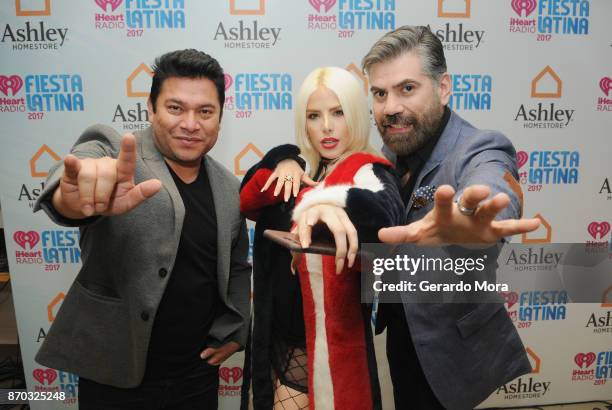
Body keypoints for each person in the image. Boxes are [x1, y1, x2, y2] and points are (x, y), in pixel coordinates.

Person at [271, 26, 541, 410]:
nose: (391, 106)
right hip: (400, 327)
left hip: (450, 344)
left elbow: (491, 181)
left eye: (407, 89)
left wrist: (473, 219)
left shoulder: (477, 146)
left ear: (444, 87)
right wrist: (286, 160)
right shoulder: (390, 150)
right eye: (380, 94)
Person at [33, 49, 251, 410]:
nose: (191, 124)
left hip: (197, 373)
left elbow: (239, 264)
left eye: (205, 112)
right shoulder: (116, 154)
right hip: (114, 373)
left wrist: (237, 328)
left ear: (220, 118)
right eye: (175, 108)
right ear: (150, 109)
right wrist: (74, 195)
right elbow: (78, 177)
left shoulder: (229, 187)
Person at [239, 67, 404, 410]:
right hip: (273, 333)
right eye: (314, 116)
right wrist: (281, 158)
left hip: (323, 343)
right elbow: (246, 201)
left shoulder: (368, 169)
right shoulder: (304, 170)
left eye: (338, 112)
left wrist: (326, 202)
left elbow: (384, 220)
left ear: (356, 116)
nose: (326, 126)